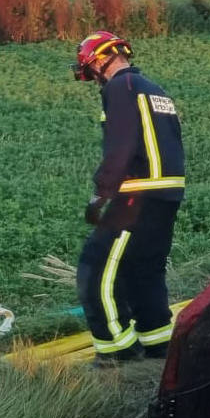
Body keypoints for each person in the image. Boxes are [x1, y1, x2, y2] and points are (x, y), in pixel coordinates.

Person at [72, 31, 185, 366]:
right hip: (166, 194)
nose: (92, 78)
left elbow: (121, 146)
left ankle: (114, 352)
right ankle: (158, 344)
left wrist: (100, 195)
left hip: (136, 196)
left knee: (95, 269)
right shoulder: (153, 89)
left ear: (99, 61)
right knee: (144, 271)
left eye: (89, 70)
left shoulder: (119, 88)